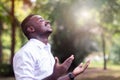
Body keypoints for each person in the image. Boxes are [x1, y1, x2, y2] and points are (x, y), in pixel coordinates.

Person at [13, 14, 90, 80]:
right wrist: (54, 75)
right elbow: (52, 78)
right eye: (41, 20)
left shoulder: (46, 50)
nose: (48, 22)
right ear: (31, 29)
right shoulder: (24, 53)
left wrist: (72, 75)